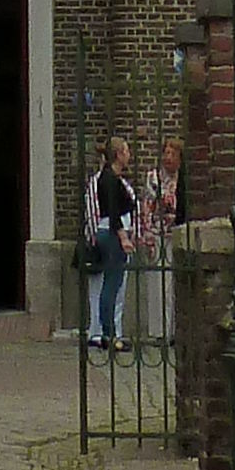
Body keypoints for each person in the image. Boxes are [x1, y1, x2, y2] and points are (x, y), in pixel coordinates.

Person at [86, 133, 139, 352]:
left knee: (113, 283)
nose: (129, 155)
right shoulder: (108, 179)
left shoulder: (113, 178)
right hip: (111, 232)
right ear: (118, 155)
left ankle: (109, 331)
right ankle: (108, 333)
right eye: (126, 151)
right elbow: (113, 211)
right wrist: (123, 236)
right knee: (112, 284)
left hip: (111, 231)